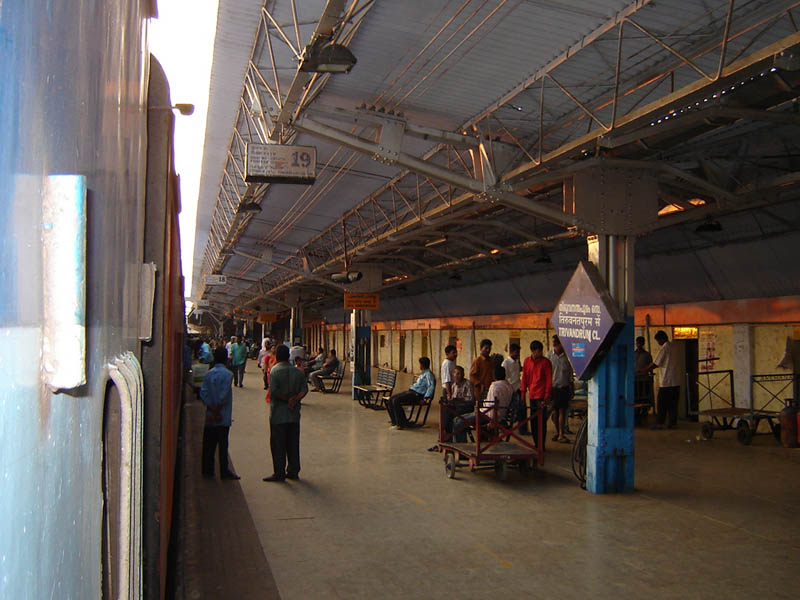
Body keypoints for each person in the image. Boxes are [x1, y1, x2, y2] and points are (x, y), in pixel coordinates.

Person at [263, 345, 308, 482]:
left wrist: (287, 399)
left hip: (278, 415)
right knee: (293, 444)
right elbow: (304, 390)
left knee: (278, 444)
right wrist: (295, 399)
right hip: (294, 415)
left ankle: (279, 472)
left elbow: (274, 391)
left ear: (276, 356)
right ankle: (293, 471)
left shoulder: (274, 371)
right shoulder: (298, 372)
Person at [200, 347, 240, 480]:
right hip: (222, 416)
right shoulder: (228, 375)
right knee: (223, 445)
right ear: (225, 359)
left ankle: (207, 470)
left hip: (210, 417)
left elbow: (203, 393)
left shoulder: (208, 374)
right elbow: (224, 395)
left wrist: (211, 409)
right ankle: (224, 471)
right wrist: (217, 411)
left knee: (209, 445)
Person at [453, 365, 513, 442]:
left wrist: (492, 421)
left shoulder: (494, 386)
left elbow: (492, 405)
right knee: (459, 420)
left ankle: (460, 446)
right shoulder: (509, 386)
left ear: (494, 376)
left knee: (458, 422)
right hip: (501, 414)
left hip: (487, 415)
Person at [386, 357, 436, 429]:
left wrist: (425, 398)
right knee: (391, 399)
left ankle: (401, 423)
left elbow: (431, 386)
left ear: (422, 365)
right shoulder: (423, 373)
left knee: (396, 401)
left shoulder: (428, 374)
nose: (419, 366)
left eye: (420, 364)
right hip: (411, 392)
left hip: (417, 395)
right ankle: (395, 421)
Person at [521, 340, 552, 453]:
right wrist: (523, 394)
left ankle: (541, 445)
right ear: (533, 351)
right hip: (532, 396)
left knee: (541, 421)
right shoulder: (527, 361)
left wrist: (547, 396)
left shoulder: (546, 363)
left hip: (541, 396)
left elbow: (549, 380)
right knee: (533, 421)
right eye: (538, 351)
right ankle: (536, 443)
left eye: (541, 351)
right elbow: (524, 378)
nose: (540, 353)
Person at [649, 330, 680, 430]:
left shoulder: (665, 348)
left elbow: (656, 363)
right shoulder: (674, 347)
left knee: (662, 404)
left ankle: (660, 423)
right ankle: (672, 423)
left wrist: (644, 370)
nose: (658, 343)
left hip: (666, 382)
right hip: (676, 381)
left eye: (658, 341)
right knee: (673, 404)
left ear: (661, 339)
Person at [547, 335, 573, 443]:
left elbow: (570, 374)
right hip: (553, 389)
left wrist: (572, 390)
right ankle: (558, 433)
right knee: (555, 413)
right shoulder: (549, 356)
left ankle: (561, 434)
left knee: (562, 411)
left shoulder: (567, 357)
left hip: (564, 388)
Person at [441, 365, 475, 439]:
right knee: (446, 411)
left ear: (463, 375)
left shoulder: (467, 384)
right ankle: (446, 436)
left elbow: (470, 400)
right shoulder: (454, 385)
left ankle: (444, 433)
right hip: (456, 407)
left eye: (459, 374)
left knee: (448, 414)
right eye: (456, 374)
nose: (457, 376)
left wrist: (458, 400)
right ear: (453, 375)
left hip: (466, 407)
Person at [502, 343, 522, 430]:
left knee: (521, 409)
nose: (518, 354)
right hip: (510, 389)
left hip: (518, 388)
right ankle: (505, 426)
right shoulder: (505, 363)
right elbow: (504, 377)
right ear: (512, 352)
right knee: (508, 409)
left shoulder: (517, 362)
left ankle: (522, 428)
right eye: (517, 352)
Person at [634, 336, 654, 407]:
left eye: (640, 343)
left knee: (644, 396)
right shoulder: (633, 354)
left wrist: (651, 375)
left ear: (643, 343)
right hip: (635, 379)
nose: (639, 344)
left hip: (644, 379)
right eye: (637, 343)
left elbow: (651, 366)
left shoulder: (647, 355)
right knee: (635, 396)